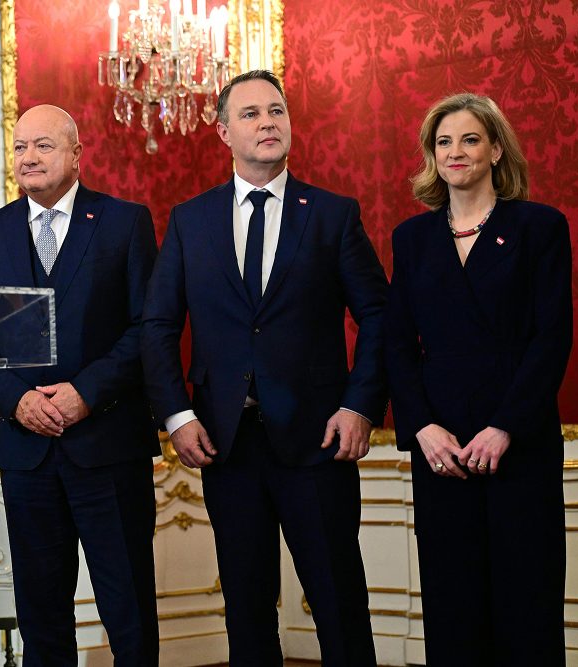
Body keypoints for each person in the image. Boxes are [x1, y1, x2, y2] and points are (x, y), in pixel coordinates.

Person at [141, 70, 388, 666]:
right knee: (247, 606)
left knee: (338, 599)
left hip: (318, 440)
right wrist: (177, 415)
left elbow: (380, 318)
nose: (268, 121)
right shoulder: (190, 220)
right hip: (226, 444)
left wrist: (359, 406)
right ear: (224, 131)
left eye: (276, 110)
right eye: (250, 113)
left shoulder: (332, 215)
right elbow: (157, 326)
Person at [0, 104, 160, 665]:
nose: (29, 157)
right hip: (27, 455)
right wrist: (19, 401)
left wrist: (85, 394)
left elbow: (149, 327)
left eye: (44, 145)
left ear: (76, 153)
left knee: (129, 608)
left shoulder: (124, 222)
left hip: (109, 447)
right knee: (41, 614)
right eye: (20, 147)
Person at [384, 92, 572, 666]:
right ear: (431, 155)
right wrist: (421, 428)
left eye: (469, 139)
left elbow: (552, 339)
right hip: (440, 449)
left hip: (517, 444)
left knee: (526, 602)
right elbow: (397, 345)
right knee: (452, 603)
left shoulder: (539, 227)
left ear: (495, 148)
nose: (455, 152)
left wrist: (505, 428)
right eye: (443, 142)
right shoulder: (412, 239)